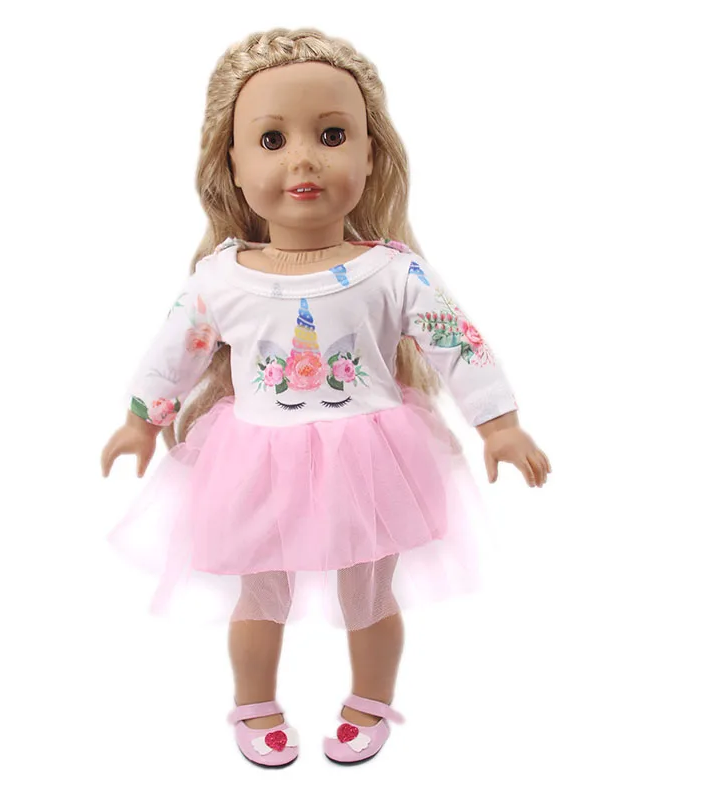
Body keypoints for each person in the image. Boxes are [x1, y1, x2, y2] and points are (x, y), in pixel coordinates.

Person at [100, 27, 551, 768]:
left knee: (368, 592)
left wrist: (498, 424)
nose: (304, 159)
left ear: (371, 155)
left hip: (369, 457)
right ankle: (254, 701)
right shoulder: (221, 277)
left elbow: (455, 341)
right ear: (232, 164)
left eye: (332, 135)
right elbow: (173, 352)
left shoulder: (392, 271)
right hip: (255, 459)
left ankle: (370, 698)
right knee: (258, 595)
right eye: (272, 140)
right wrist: (140, 420)